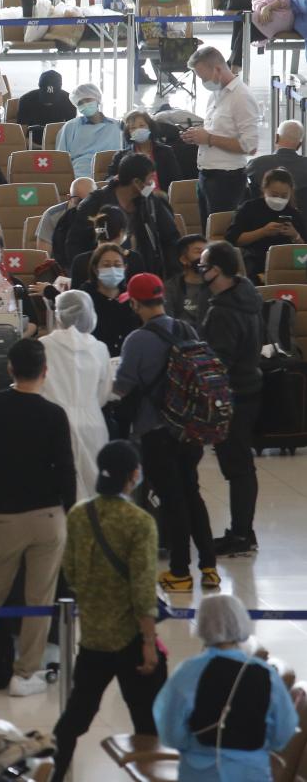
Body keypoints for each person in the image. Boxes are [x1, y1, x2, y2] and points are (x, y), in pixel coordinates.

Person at [0, 339, 75, 696]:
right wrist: (67, 512)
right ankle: (26, 673)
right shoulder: (54, 415)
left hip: (4, 514)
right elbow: (66, 471)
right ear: (45, 372)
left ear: (9, 369)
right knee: (39, 597)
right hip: (47, 515)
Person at [50, 440, 166, 782]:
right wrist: (149, 640)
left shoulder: (79, 514)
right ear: (133, 476)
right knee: (147, 721)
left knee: (75, 718)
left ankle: (53, 774)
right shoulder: (139, 522)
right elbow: (143, 587)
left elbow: (69, 571)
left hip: (94, 639)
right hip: (130, 638)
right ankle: (153, 776)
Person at [111, 273, 217, 590]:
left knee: (172, 499)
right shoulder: (185, 328)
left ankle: (181, 572)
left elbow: (123, 386)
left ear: (134, 302)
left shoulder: (137, 340)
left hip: (157, 430)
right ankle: (209, 567)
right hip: (191, 427)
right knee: (192, 493)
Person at [154, 593, 298, 782]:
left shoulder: (188, 672)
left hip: (200, 773)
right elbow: (283, 731)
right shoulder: (265, 673)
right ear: (241, 622)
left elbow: (170, 730)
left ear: (202, 624)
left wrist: (196, 747)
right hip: (251, 772)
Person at [197, 242, 263, 560]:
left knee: (237, 467)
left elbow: (217, 363)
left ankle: (240, 534)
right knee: (242, 466)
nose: (201, 270)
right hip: (250, 389)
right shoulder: (247, 295)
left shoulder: (223, 311)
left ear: (217, 271)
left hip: (231, 396)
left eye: (204, 265)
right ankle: (242, 530)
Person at [40, 290, 113, 500]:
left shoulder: (43, 346)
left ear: (58, 313)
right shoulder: (99, 348)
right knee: (94, 488)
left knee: (58, 488)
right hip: (93, 422)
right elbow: (104, 392)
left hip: (54, 422)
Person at [182, 45, 259, 225]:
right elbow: (217, 129)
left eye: (203, 77)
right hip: (206, 175)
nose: (202, 82)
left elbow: (250, 146)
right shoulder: (216, 94)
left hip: (227, 180)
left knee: (222, 234)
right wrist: (197, 135)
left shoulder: (241, 97)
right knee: (208, 231)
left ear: (217, 69)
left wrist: (209, 139)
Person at [71, 157, 180, 281]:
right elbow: (75, 243)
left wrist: (173, 277)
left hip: (143, 274)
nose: (153, 185)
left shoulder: (152, 202)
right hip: (103, 276)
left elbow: (170, 238)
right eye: (150, 180)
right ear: (137, 183)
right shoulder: (95, 203)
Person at [225, 168, 306, 280]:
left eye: (284, 196)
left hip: (286, 263)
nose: (278, 199)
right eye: (274, 194)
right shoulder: (249, 208)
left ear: (290, 193)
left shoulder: (294, 213)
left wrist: (295, 236)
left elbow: (303, 249)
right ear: (264, 189)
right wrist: (262, 232)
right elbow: (232, 240)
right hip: (255, 260)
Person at [56, 84, 124, 179]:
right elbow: (60, 158)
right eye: (80, 103)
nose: (85, 104)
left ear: (97, 100)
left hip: (111, 175)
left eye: (88, 100)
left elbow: (127, 154)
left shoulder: (117, 126)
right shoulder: (70, 127)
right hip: (80, 176)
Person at [81, 242, 138, 355]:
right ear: (95, 269)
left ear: (124, 268)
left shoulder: (131, 298)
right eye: (106, 265)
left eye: (117, 265)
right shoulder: (85, 297)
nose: (112, 269)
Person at [246, 118, 307, 208]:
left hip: (262, 217)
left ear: (276, 138)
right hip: (301, 219)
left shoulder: (255, 164)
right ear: (299, 145)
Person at [119, 109, 181, 192]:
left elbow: (176, 181)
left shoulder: (166, 152)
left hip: (161, 199)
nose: (138, 130)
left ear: (150, 127)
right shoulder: (122, 156)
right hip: (134, 201)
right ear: (128, 132)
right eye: (133, 128)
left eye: (142, 125)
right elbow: (109, 179)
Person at [16, 69, 76, 147]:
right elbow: (20, 136)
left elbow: (72, 134)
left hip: (60, 145)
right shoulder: (26, 100)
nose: (49, 102)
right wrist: (41, 149)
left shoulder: (69, 101)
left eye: (52, 99)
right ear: (39, 86)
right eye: (46, 98)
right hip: (31, 145)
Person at [38, 176, 95, 254]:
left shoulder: (104, 213)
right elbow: (45, 255)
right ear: (69, 198)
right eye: (79, 201)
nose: (84, 206)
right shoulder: (52, 216)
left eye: (89, 201)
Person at [165, 234, 211, 328]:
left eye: (206, 252)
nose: (204, 257)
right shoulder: (171, 287)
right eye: (198, 252)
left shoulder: (216, 283)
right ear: (183, 259)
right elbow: (168, 321)